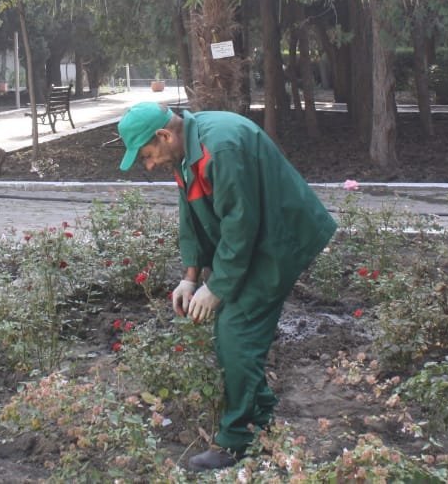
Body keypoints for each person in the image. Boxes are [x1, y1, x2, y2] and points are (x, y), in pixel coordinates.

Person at [116, 101, 337, 471]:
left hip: (279, 235)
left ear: (163, 135)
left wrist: (215, 287)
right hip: (254, 236)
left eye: (148, 155)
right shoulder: (185, 151)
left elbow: (241, 223)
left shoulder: (220, 148)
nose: (150, 165)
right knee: (233, 328)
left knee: (236, 329)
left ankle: (239, 441)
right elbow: (192, 214)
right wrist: (190, 277)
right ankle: (261, 419)